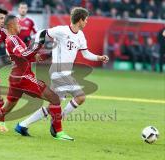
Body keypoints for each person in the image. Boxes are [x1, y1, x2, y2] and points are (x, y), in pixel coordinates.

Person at [0, 14, 74, 141]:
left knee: (5, 109)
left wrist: (49, 54)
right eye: (18, 23)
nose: (20, 25)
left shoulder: (14, 39)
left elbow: (29, 56)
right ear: (11, 25)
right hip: (24, 77)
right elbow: (24, 55)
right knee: (55, 99)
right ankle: (59, 133)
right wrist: (38, 44)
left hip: (16, 78)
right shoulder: (13, 39)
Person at [15, 7, 109, 138]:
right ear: (80, 20)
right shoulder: (61, 30)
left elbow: (86, 54)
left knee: (54, 104)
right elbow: (41, 33)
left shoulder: (80, 35)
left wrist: (99, 57)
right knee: (80, 97)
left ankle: (22, 125)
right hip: (58, 70)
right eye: (86, 20)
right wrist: (36, 47)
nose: (87, 22)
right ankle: (57, 123)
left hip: (65, 72)